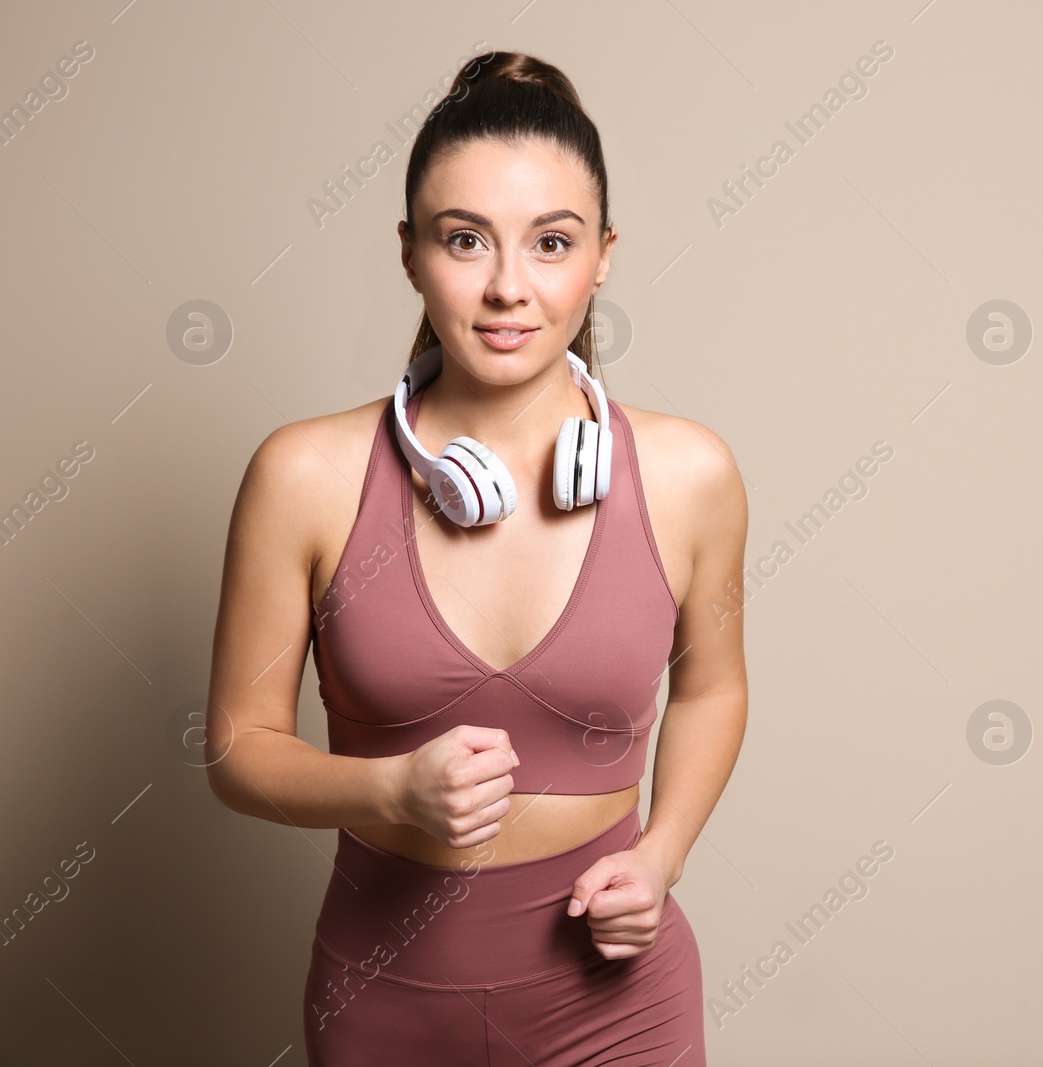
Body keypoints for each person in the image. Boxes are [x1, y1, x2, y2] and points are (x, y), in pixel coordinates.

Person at [205, 49, 748, 1065]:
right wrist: (384, 791)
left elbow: (712, 691)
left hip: (616, 999)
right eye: (466, 240)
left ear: (603, 254)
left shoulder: (689, 474)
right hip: (383, 998)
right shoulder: (303, 474)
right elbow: (238, 747)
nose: (509, 287)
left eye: (551, 242)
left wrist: (661, 853)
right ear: (410, 254)